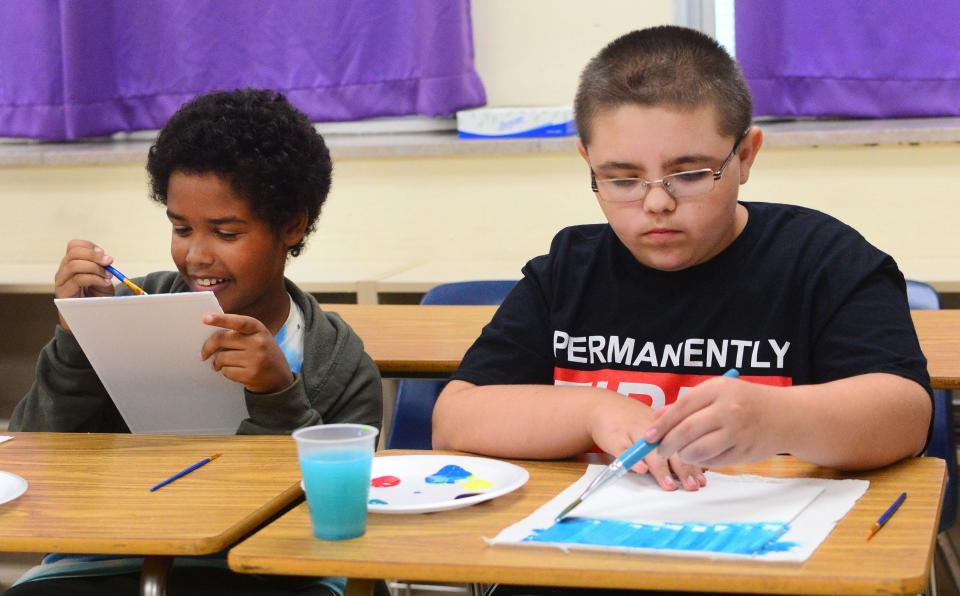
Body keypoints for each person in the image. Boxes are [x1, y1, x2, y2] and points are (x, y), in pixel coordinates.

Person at [433, 25, 932, 497]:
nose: (656, 204)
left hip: (770, 554)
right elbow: (454, 421)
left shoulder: (822, 261)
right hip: (592, 547)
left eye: (690, 174)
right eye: (623, 180)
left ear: (746, 157)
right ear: (587, 161)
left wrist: (779, 418)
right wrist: (592, 411)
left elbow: (906, 415)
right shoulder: (569, 271)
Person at [8, 89, 382, 596]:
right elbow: (35, 463)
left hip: (267, 574)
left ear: (292, 225)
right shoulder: (128, 314)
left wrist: (277, 396)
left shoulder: (335, 361)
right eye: (181, 228)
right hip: (109, 562)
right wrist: (78, 338)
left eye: (226, 233)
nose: (197, 255)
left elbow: (325, 522)